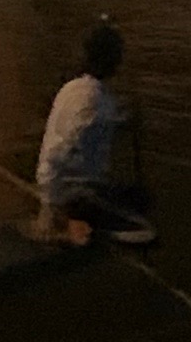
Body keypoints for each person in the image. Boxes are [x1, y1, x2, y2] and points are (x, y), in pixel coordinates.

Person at [34, 22, 151, 244]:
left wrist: (122, 122)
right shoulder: (94, 98)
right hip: (72, 192)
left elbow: (93, 124)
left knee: (130, 195)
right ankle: (74, 223)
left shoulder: (73, 87)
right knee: (140, 202)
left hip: (57, 183)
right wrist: (52, 200)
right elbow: (64, 149)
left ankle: (73, 216)